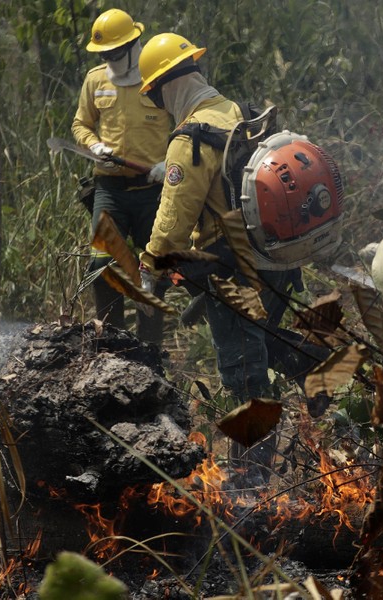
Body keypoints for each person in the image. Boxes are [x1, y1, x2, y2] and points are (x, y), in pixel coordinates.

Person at [136, 32, 324, 483]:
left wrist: (150, 264)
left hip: (232, 266)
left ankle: (251, 480)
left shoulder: (189, 139)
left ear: (163, 88)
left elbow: (173, 222)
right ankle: (316, 364)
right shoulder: (236, 113)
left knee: (243, 372)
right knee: (262, 341)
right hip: (275, 257)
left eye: (155, 96)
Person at [71, 8, 171, 345]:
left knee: (154, 272)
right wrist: (93, 145)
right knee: (101, 267)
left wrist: (169, 162)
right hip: (109, 189)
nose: (109, 60)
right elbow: (80, 124)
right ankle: (112, 347)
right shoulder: (95, 80)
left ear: (132, 45)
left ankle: (149, 352)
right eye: (104, 54)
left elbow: (187, 124)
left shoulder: (159, 78)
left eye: (114, 53)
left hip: (153, 191)